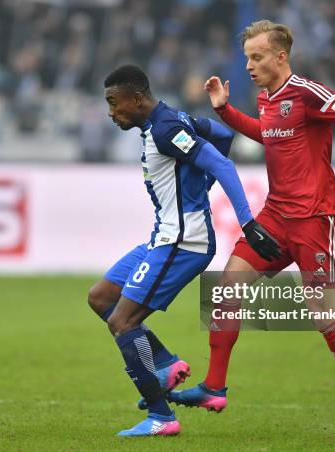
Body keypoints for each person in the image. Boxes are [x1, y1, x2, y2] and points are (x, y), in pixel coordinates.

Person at [168, 20, 335, 440]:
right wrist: (224, 110)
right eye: (247, 58)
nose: (249, 65)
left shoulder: (308, 94)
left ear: (280, 56)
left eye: (256, 57)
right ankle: (215, 387)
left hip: (314, 219)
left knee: (322, 316)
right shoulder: (267, 100)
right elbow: (266, 134)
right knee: (228, 285)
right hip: (276, 217)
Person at [87, 64, 280, 437]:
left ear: (137, 98)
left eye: (114, 103)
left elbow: (222, 161)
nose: (111, 112)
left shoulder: (166, 129)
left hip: (182, 242)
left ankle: (161, 416)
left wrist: (248, 223)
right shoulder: (171, 120)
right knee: (101, 297)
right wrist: (197, 185)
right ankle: (165, 363)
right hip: (163, 236)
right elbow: (222, 135)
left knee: (121, 322)